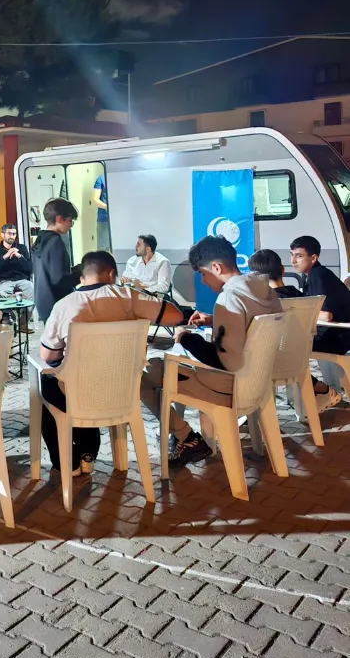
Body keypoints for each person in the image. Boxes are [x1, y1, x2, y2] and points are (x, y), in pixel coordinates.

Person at [141, 235, 283, 468]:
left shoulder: (229, 297)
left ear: (217, 267)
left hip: (229, 386)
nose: (204, 281)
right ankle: (185, 436)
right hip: (260, 380)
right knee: (171, 363)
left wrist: (186, 338)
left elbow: (226, 360)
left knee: (147, 375)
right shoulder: (263, 289)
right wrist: (214, 319)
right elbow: (251, 325)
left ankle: (186, 437)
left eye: (203, 274)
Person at [41, 251, 183, 474]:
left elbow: (48, 356)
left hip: (78, 395)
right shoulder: (129, 297)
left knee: (46, 385)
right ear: (111, 274)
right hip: (123, 392)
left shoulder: (64, 305)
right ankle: (89, 453)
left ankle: (69, 463)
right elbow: (176, 316)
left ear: (82, 278)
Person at [249, 247, 341, 412]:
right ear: (283, 270)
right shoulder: (301, 298)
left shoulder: (261, 303)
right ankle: (320, 389)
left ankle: (254, 413)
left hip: (269, 365)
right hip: (297, 360)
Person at [289, 235, 348, 406]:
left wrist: (297, 311)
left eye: (299, 255)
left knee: (287, 348)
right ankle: (318, 392)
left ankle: (320, 392)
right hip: (335, 333)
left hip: (337, 336)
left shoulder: (318, 276)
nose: (293, 260)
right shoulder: (316, 274)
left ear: (313, 258)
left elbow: (326, 315)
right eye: (292, 255)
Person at [32, 198, 79, 323]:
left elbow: (49, 272)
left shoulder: (40, 240)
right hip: (58, 305)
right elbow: (59, 280)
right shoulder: (55, 242)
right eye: (70, 221)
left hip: (44, 303)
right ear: (59, 219)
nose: (71, 225)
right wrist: (81, 273)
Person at [0, 224, 34, 328]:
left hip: (22, 280)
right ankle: (12, 318)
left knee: (32, 290)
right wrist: (6, 256)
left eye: (14, 234)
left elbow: (30, 269)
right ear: (2, 235)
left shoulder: (22, 248)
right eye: (9, 233)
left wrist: (20, 257)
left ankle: (23, 323)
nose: (12, 236)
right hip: (5, 281)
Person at [93, 170, 110, 251]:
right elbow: (95, 199)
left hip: (119, 218)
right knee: (103, 247)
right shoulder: (101, 178)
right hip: (104, 218)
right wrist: (107, 207)